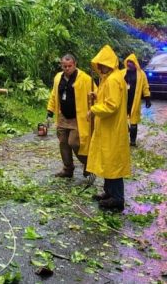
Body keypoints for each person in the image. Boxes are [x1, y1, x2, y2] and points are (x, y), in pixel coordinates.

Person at [87, 45, 131, 211]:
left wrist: (93, 109)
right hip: (108, 128)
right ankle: (109, 192)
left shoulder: (113, 79)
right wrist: (96, 96)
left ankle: (117, 199)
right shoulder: (109, 78)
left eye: (102, 64)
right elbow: (108, 97)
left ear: (109, 63)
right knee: (107, 161)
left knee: (113, 164)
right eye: (98, 64)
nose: (99, 67)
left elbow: (111, 105)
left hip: (112, 128)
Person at [46, 54, 96, 178]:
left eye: (70, 66)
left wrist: (94, 109)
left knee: (74, 142)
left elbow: (96, 94)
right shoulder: (58, 77)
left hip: (78, 117)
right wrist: (50, 111)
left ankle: (88, 164)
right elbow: (54, 95)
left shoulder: (85, 78)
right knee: (63, 142)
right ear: (61, 65)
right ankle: (68, 168)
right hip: (63, 116)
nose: (67, 68)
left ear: (75, 64)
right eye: (64, 66)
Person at [123, 54, 152, 146]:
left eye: (131, 62)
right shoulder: (122, 73)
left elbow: (145, 86)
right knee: (121, 120)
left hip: (134, 100)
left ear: (135, 63)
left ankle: (132, 140)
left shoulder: (141, 74)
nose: (129, 64)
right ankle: (122, 138)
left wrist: (147, 98)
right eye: (128, 62)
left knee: (133, 121)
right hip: (123, 100)